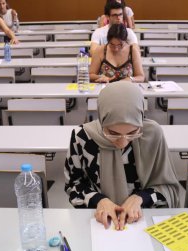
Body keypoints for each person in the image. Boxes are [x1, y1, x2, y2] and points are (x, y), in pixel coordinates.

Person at [65, 82, 180, 230]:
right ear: (101, 118)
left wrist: (140, 198)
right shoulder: (82, 138)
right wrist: (98, 200)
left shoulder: (152, 135)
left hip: (142, 220)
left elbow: (168, 187)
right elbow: (73, 185)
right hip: (99, 221)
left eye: (132, 132)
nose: (122, 142)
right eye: (112, 133)